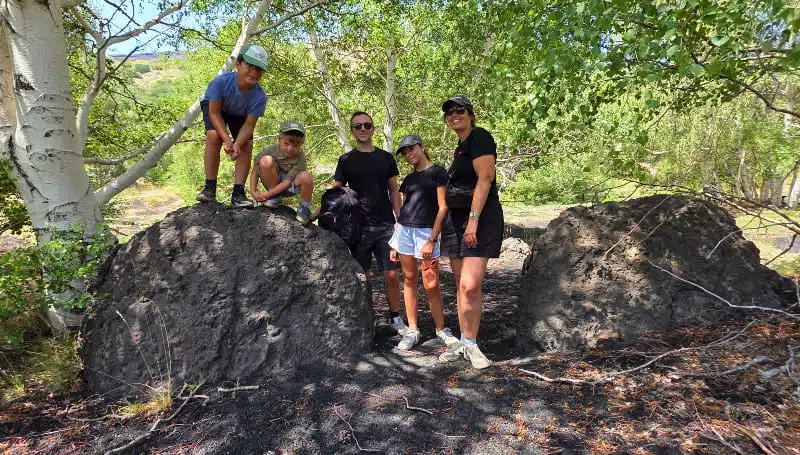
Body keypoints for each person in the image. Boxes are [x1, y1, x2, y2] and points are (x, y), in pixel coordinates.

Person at [437, 95, 504, 370]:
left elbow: (485, 179)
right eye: (450, 112)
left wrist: (473, 221)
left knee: (470, 285)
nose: (454, 115)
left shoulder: (480, 137)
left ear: (471, 114)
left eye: (460, 110)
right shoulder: (460, 147)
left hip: (479, 218)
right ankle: (465, 341)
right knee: (460, 285)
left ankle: (473, 345)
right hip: (455, 220)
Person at [333, 112, 407, 334]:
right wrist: (318, 212)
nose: (362, 128)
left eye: (367, 125)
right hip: (359, 228)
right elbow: (336, 191)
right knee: (363, 276)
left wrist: (399, 220)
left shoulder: (386, 158)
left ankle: (395, 317)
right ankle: (366, 319)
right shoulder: (346, 160)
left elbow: (394, 189)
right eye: (357, 126)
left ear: (373, 129)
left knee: (392, 274)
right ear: (352, 131)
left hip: (385, 225)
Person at [388, 135, 460, 351]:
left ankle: (441, 330)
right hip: (405, 232)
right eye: (405, 152)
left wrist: (431, 239)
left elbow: (443, 207)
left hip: (426, 233)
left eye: (412, 149)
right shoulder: (409, 180)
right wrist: (395, 243)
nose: (409, 154)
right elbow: (404, 210)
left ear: (422, 147)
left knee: (431, 283)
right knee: (409, 280)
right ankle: (412, 330)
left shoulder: (437, 172)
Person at [196, 44, 269, 208]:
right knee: (214, 135)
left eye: (259, 69)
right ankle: (209, 189)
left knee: (246, 144)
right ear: (238, 64)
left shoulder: (260, 96)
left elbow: (249, 125)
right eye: (250, 66)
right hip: (217, 108)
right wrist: (227, 140)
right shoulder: (220, 83)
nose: (254, 72)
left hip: (240, 113)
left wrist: (236, 144)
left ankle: (238, 194)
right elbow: (214, 114)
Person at [250, 120, 314, 224]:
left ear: (301, 144)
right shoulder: (270, 150)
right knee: (266, 160)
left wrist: (266, 195)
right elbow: (254, 171)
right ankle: (274, 197)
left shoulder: (301, 157)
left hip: (290, 186)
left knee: (307, 176)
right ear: (279, 139)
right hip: (272, 182)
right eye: (286, 143)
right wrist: (253, 191)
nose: (290, 148)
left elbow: (288, 182)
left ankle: (305, 208)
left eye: (295, 145)